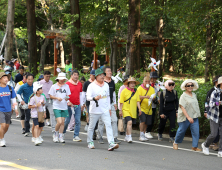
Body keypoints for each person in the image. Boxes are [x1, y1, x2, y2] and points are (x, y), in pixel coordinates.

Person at [86, 68, 119, 151]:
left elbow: (108, 97)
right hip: (94, 110)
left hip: (104, 110)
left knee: (108, 125)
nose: (102, 76)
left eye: (103, 75)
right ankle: (90, 142)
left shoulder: (106, 85)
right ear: (96, 76)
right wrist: (94, 98)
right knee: (91, 127)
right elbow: (87, 97)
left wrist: (109, 108)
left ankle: (111, 143)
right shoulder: (91, 86)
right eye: (100, 75)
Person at [173, 79, 201, 151]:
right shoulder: (183, 96)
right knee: (181, 130)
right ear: (185, 87)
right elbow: (182, 107)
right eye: (188, 85)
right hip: (185, 117)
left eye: (192, 85)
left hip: (194, 117)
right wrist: (188, 117)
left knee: (196, 132)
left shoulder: (194, 95)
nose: (190, 87)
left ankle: (194, 146)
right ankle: (175, 143)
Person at [97, 66, 121, 144]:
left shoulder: (113, 82)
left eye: (110, 71)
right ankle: (100, 136)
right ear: (104, 73)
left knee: (114, 120)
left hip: (110, 103)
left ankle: (115, 137)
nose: (110, 72)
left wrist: (114, 103)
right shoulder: (101, 82)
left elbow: (113, 93)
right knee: (101, 121)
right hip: (102, 104)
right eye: (108, 71)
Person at [202, 77, 222, 157]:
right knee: (214, 134)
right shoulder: (214, 92)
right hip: (214, 116)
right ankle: (206, 145)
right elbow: (210, 104)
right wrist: (217, 103)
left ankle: (220, 150)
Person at [49, 72, 71, 143]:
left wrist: (67, 98)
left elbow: (68, 95)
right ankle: (55, 134)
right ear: (58, 79)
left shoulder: (66, 86)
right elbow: (50, 96)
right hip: (56, 106)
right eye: (61, 79)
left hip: (64, 106)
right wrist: (57, 98)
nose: (62, 80)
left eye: (63, 79)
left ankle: (60, 136)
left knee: (63, 122)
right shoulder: (54, 86)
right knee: (59, 122)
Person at [63, 70, 83, 142]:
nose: (76, 76)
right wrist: (68, 102)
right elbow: (64, 95)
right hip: (68, 105)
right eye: (74, 75)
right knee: (67, 120)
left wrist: (82, 104)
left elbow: (81, 94)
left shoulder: (80, 84)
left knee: (78, 121)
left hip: (77, 105)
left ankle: (76, 136)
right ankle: (62, 133)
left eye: (77, 75)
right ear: (71, 76)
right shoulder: (67, 84)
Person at [119, 76, 141, 143]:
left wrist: (139, 109)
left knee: (130, 124)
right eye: (131, 83)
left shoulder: (136, 91)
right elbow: (121, 102)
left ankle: (127, 136)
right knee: (129, 122)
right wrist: (120, 110)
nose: (132, 84)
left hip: (133, 110)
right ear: (128, 84)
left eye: (134, 83)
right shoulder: (124, 91)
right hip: (125, 109)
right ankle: (129, 136)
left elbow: (138, 101)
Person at [0, 72, 18, 147]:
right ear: (0, 79)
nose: (6, 79)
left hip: (8, 110)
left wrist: (16, 109)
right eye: (4, 78)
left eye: (6, 78)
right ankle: (2, 140)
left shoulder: (10, 88)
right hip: (0, 110)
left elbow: (13, 99)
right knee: (3, 125)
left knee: (7, 126)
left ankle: (1, 136)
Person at [137, 74, 155, 141]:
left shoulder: (152, 89)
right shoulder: (139, 88)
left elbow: (154, 97)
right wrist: (145, 97)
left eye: (148, 81)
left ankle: (143, 134)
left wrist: (152, 98)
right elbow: (137, 97)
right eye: (146, 81)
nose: (147, 83)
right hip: (142, 108)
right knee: (143, 121)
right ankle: (141, 135)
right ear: (143, 81)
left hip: (149, 109)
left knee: (147, 123)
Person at [145, 71, 159, 139]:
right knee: (146, 119)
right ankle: (145, 131)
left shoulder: (156, 85)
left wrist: (158, 97)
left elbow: (158, 94)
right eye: (154, 78)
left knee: (152, 119)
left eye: (156, 78)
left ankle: (148, 131)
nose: (155, 79)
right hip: (147, 104)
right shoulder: (147, 85)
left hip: (153, 105)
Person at [82, 70, 96, 138]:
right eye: (93, 75)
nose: (94, 76)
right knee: (90, 117)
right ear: (90, 75)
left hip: (96, 103)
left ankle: (94, 130)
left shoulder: (98, 83)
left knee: (97, 118)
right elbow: (83, 93)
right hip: (88, 103)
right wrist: (83, 103)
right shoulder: (86, 83)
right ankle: (92, 133)